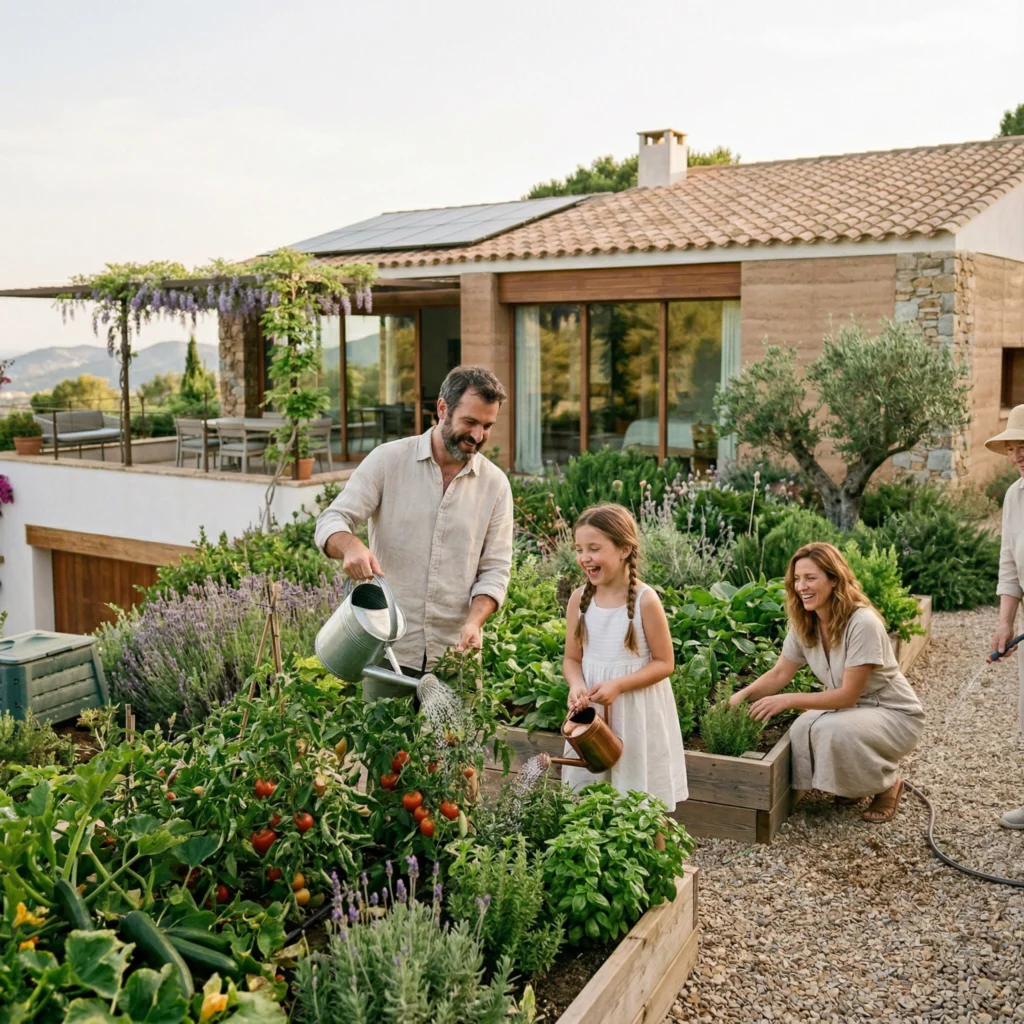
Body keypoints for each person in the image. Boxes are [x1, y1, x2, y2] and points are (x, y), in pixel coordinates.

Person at [314, 365, 514, 676]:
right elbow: (332, 519)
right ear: (442, 408)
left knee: (457, 729)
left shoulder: (496, 485)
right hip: (386, 649)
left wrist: (475, 622)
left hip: (455, 658)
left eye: (487, 426)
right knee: (381, 727)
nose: (478, 436)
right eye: (470, 422)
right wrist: (351, 545)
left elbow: (495, 570)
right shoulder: (388, 460)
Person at [730, 542, 924, 824]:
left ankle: (887, 784)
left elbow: (847, 696)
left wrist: (787, 700)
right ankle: (855, 785)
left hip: (893, 713)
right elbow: (780, 674)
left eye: (810, 578)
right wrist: (739, 697)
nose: (801, 586)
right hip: (855, 711)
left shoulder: (862, 622)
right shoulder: (804, 622)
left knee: (832, 730)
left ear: (834, 579)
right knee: (802, 727)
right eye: (796, 579)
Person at [561, 503, 688, 809]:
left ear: (624, 549)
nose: (584, 558)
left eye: (594, 548)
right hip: (592, 719)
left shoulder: (646, 601)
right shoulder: (579, 599)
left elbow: (664, 663)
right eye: (579, 549)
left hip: (636, 716)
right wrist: (576, 684)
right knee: (588, 800)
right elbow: (572, 659)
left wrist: (618, 685)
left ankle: (655, 858)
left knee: (642, 802)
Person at [983, 405, 1024, 829]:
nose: (1018, 454)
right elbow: (1009, 565)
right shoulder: (1015, 495)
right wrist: (1005, 623)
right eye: (1013, 447)